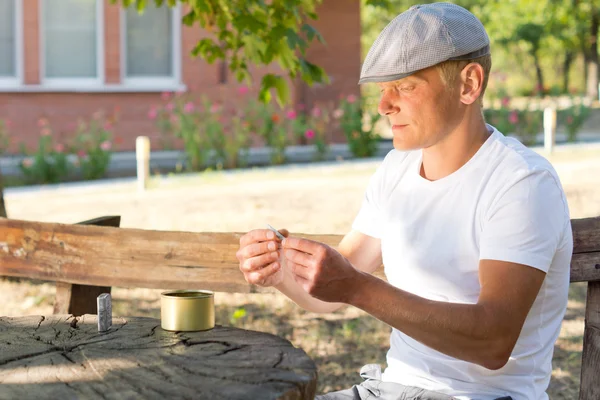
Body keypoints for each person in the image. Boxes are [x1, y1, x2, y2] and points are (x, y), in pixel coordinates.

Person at [236, 3, 572, 399]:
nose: (383, 106)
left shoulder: (522, 182)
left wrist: (356, 288)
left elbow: (492, 341)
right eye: (382, 90)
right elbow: (329, 293)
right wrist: (280, 273)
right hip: (389, 389)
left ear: (468, 84)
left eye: (406, 86)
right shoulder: (397, 169)